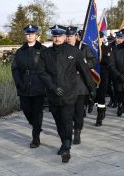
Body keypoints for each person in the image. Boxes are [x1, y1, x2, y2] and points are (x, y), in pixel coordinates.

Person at [38, 25, 95, 163]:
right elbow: (41, 72)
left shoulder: (74, 52)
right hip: (53, 94)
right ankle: (64, 142)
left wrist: (92, 88)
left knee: (67, 119)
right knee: (59, 122)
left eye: (60, 36)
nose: (57, 38)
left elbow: (84, 71)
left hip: (69, 93)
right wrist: (52, 87)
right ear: (53, 36)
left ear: (65, 37)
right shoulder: (45, 53)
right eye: (55, 36)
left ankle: (67, 147)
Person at [11, 25, 46, 148]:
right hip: (24, 85)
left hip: (39, 85)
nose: (29, 36)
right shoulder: (20, 51)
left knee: (37, 112)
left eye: (32, 34)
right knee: (26, 110)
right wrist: (19, 83)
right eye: (27, 34)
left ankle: (35, 137)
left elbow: (49, 69)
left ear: (37, 35)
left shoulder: (43, 50)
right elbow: (15, 69)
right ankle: (36, 126)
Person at [65, 26, 97, 145]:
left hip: (80, 84)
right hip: (67, 85)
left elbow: (94, 60)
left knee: (78, 111)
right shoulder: (63, 49)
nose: (69, 39)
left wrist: (83, 65)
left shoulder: (83, 48)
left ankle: (77, 131)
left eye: (71, 36)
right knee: (69, 110)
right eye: (67, 36)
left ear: (76, 36)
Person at [95, 32, 112, 127]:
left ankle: (100, 116)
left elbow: (108, 62)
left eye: (99, 38)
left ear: (102, 38)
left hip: (103, 76)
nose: (98, 39)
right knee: (95, 96)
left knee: (101, 96)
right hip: (93, 75)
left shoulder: (107, 49)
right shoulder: (91, 49)